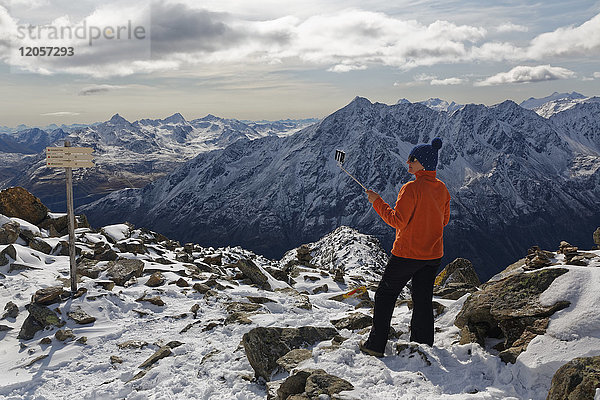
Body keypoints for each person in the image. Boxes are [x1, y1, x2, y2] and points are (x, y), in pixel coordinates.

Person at [359, 137, 451, 357]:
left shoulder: (411, 188)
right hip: (433, 254)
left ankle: (375, 344)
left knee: (385, 294)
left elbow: (397, 221)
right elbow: (444, 220)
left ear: (424, 163)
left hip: (407, 254)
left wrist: (376, 202)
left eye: (413, 159)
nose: (408, 162)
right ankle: (422, 346)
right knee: (422, 299)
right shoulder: (442, 188)